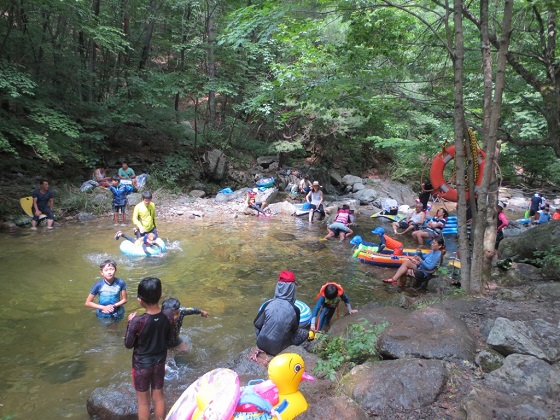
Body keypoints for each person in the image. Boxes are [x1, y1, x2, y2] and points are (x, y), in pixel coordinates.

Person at [124, 277, 174, 420]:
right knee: (159, 396)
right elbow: (169, 339)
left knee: (143, 403)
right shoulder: (168, 315)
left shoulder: (137, 321)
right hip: (159, 362)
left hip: (141, 366)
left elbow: (128, 344)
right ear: (161, 295)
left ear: (140, 300)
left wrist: (129, 323)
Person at [253, 270, 309, 357]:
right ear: (292, 289)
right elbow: (294, 330)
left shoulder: (268, 304)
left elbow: (257, 324)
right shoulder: (295, 309)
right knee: (305, 332)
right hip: (278, 349)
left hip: (260, 344)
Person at [85, 259, 128, 324]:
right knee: (106, 329)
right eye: (106, 270)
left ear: (115, 270)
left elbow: (125, 299)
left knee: (117, 328)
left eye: (111, 269)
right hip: (103, 313)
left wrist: (114, 305)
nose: (109, 272)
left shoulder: (120, 283)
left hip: (118, 310)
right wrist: (103, 307)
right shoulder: (98, 285)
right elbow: (88, 302)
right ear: (101, 272)